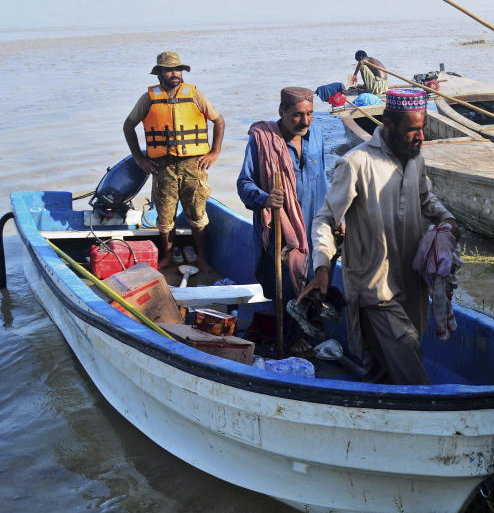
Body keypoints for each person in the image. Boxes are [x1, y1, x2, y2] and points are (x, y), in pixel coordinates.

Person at [301, 88, 460, 384]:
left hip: (411, 283)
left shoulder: (415, 159)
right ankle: (429, 421)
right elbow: (325, 218)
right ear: (388, 124)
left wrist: (446, 219)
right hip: (373, 289)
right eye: (412, 130)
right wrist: (322, 266)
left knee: (382, 367)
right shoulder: (355, 162)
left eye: (422, 129)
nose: (420, 137)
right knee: (407, 353)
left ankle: (369, 418)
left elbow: (426, 199)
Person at [237, 87, 329, 351]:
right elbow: (244, 183)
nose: (305, 121)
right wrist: (265, 198)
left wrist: (336, 218)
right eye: (297, 115)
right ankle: (292, 339)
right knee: (287, 281)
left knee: (315, 279)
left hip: (315, 223)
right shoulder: (262, 140)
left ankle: (306, 334)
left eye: (310, 114)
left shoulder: (318, 136)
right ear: (282, 112)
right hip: (281, 225)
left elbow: (323, 181)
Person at [123, 51, 225, 271]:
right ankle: (168, 257)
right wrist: (139, 159)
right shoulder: (149, 98)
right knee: (165, 216)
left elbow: (218, 121)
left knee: (197, 214)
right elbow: (128, 126)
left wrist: (214, 152)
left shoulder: (195, 95)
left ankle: (202, 258)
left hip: (193, 165)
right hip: (163, 166)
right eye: (169, 70)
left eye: (178, 69)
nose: (175, 74)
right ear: (159, 73)